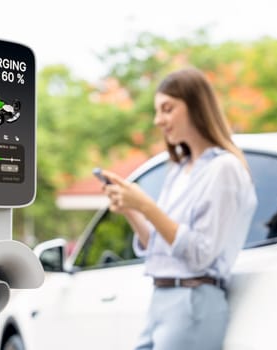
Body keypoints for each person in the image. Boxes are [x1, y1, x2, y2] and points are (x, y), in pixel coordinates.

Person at [101, 67, 257, 350]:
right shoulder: (179, 169)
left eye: (167, 109)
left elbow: (199, 254)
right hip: (162, 297)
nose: (158, 120)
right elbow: (158, 244)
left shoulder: (224, 169)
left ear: (196, 106)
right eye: (157, 111)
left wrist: (147, 206)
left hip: (193, 299)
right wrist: (132, 210)